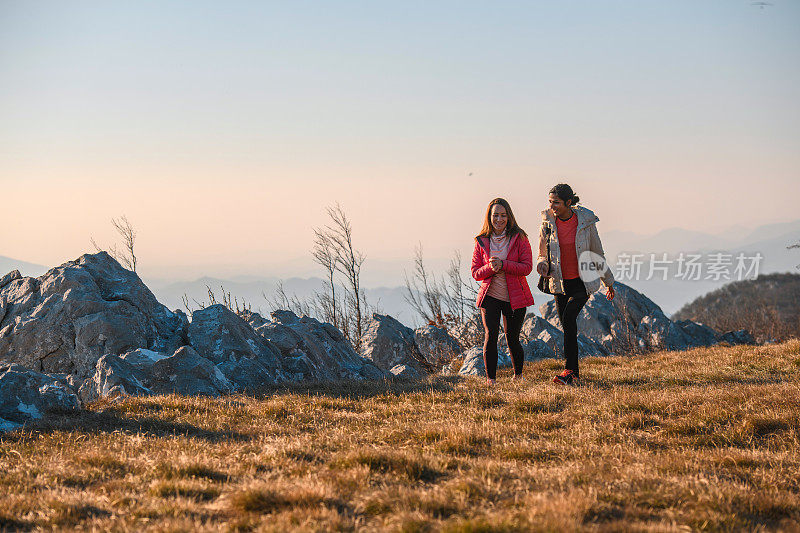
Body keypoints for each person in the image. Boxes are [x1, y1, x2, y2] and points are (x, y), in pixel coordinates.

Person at [536, 184, 615, 386]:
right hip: (559, 282)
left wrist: (609, 282)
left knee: (569, 319)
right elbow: (542, 252)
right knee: (567, 326)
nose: (552, 206)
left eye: (556, 202)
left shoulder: (586, 223)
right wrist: (542, 263)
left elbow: (597, 253)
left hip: (582, 281)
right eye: (550, 202)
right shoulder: (547, 223)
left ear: (568, 203)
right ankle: (573, 373)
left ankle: (569, 371)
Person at [471, 198, 534, 385]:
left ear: (509, 217)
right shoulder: (481, 241)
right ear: (489, 218)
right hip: (490, 296)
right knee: (490, 336)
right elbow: (475, 272)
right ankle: (491, 380)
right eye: (495, 215)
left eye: (503, 215)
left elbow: (527, 267)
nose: (499, 219)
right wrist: (491, 268)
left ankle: (518, 376)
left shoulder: (520, 237)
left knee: (512, 338)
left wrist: (503, 265)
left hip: (515, 297)